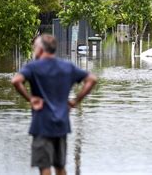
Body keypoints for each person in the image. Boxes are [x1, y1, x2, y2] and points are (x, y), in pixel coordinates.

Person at [11, 35, 97, 175]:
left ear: (40, 49)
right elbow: (92, 79)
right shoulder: (67, 66)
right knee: (60, 166)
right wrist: (75, 101)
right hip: (61, 123)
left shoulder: (33, 67)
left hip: (41, 124)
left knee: (44, 167)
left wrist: (31, 99)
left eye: (35, 47)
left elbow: (16, 80)